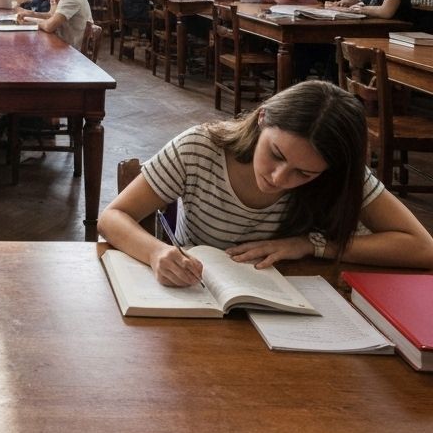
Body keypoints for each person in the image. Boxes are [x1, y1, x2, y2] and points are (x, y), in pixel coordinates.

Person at [98, 80, 433, 287]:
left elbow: (423, 248)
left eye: (304, 174)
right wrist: (156, 252)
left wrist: (310, 245)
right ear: (262, 119)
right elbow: (112, 217)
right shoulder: (199, 148)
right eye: (276, 154)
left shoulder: (338, 172)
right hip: (202, 298)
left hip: (300, 310)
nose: (278, 178)